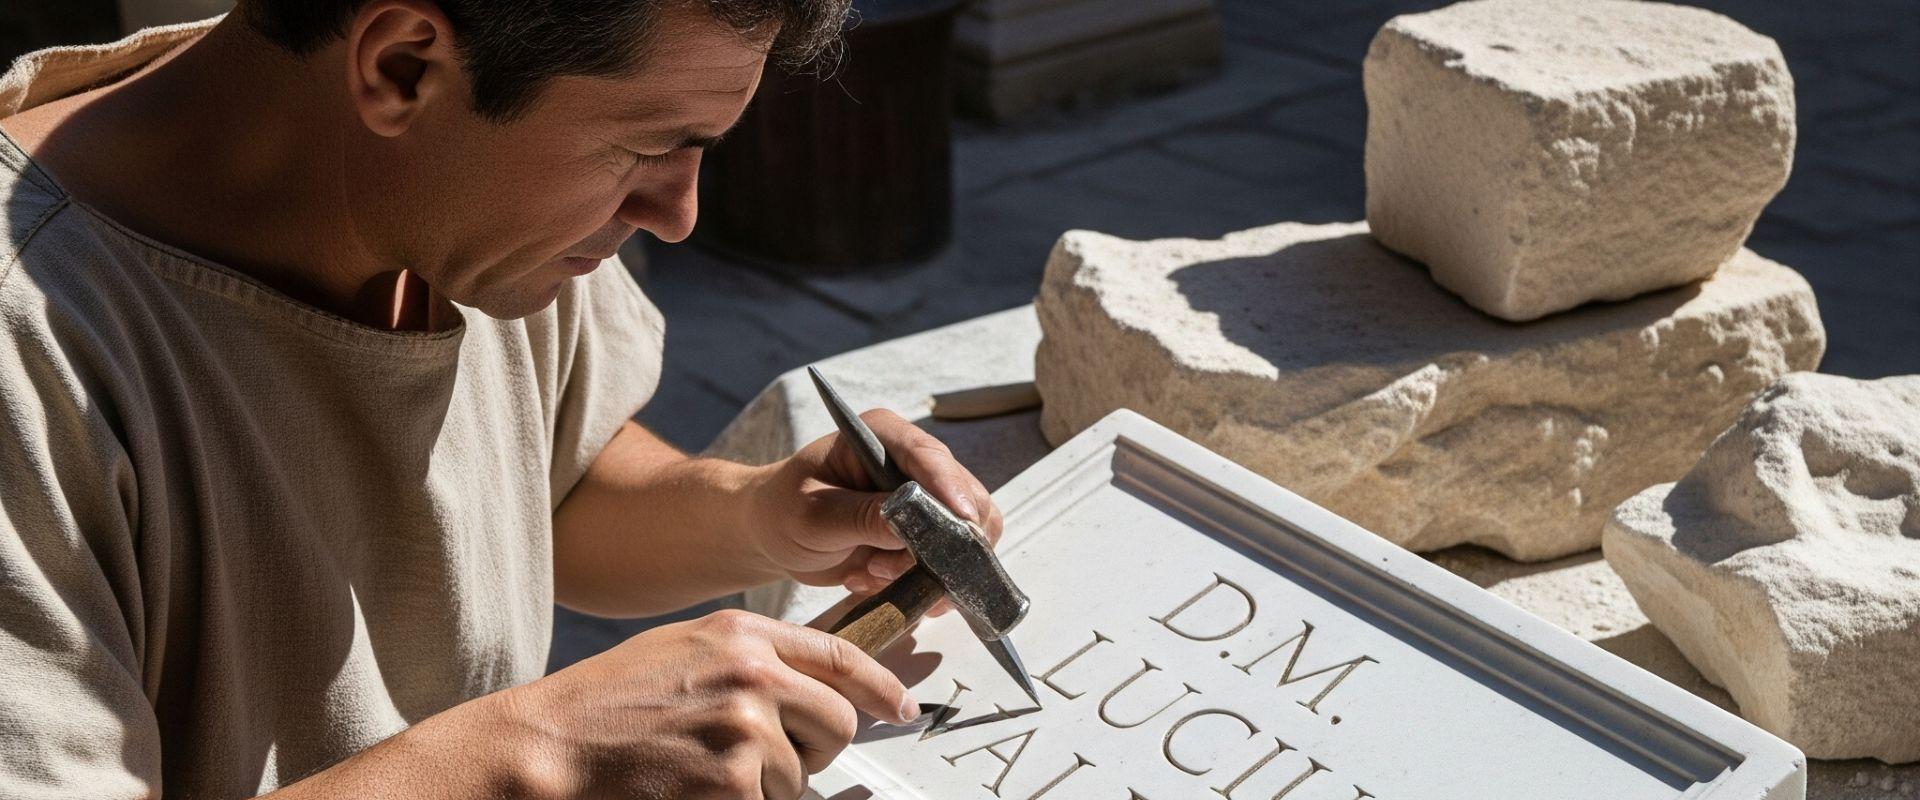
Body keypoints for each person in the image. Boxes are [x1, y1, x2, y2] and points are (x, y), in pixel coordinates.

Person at [0, 1, 1002, 797]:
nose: (679, 214)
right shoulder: (34, 348)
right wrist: (541, 753)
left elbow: (549, 492)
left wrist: (760, 514)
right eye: (649, 147)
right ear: (403, 66)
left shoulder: (459, 195)